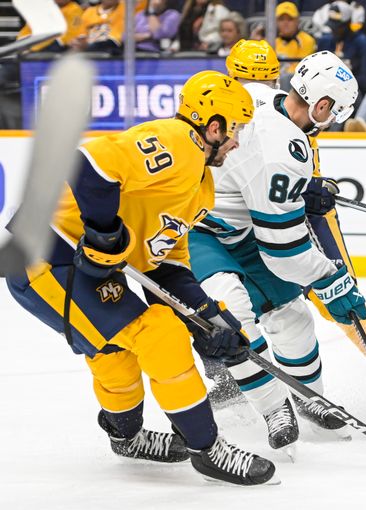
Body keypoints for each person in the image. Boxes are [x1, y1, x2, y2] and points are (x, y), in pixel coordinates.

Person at [4, 71, 280, 485]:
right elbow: (86, 165)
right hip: (46, 251)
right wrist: (104, 232)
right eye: (236, 129)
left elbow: (166, 266)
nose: (238, 141)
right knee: (159, 334)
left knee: (114, 350)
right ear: (214, 125)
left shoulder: (200, 187)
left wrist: (209, 317)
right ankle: (207, 449)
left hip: (69, 263)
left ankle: (126, 436)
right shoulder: (177, 141)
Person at [187, 46, 366, 452]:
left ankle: (310, 399)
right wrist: (331, 279)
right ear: (321, 105)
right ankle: (273, 408)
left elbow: (253, 174)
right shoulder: (285, 152)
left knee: (292, 318)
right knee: (232, 312)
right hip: (199, 229)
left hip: (243, 227)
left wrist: (302, 192)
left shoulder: (259, 95)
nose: (332, 122)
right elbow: (283, 253)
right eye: (334, 113)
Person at [316, 1, 366, 93]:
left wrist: (342, 83)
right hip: (327, 90)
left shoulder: (362, 43)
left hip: (353, 91)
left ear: (346, 25)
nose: (333, 30)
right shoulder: (325, 42)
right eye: (332, 26)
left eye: (337, 27)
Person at [273, 1, 318, 91]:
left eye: (290, 19)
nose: (285, 23)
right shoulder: (271, 41)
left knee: (286, 78)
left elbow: (301, 71)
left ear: (297, 21)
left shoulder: (307, 40)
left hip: (296, 86)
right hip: (275, 83)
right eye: (281, 19)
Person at [17, 0, 84, 53]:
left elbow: (68, 36)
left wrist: (36, 49)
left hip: (55, 50)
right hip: (33, 47)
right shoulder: (43, 9)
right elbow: (26, 31)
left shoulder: (74, 9)